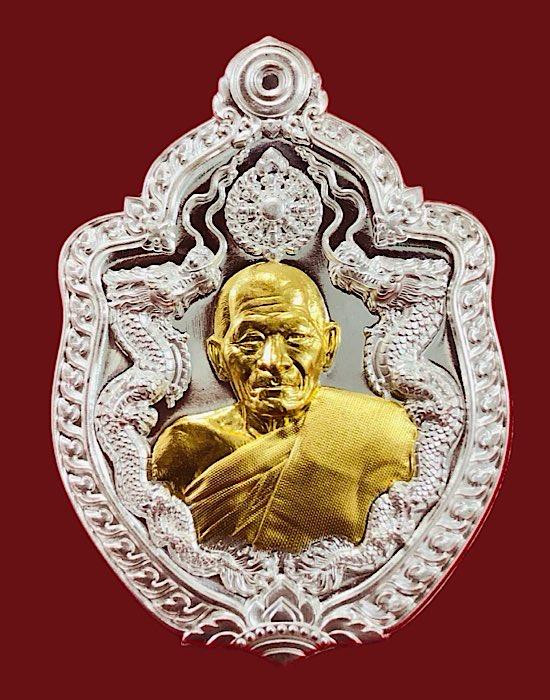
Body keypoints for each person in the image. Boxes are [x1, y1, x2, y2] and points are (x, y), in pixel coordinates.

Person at [149, 262, 416, 553]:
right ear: (217, 356)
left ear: (328, 345)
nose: (273, 361)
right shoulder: (186, 445)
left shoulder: (384, 432)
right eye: (250, 340)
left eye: (295, 338)